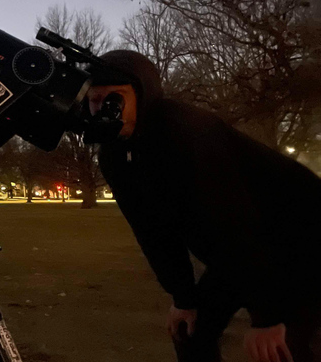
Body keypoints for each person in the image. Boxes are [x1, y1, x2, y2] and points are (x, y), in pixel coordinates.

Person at [86, 50, 321, 362]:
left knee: (287, 347)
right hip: (239, 253)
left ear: (142, 95)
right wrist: (182, 298)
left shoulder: (184, 129)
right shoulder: (114, 155)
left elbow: (234, 221)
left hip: (303, 239)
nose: (104, 109)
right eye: (95, 100)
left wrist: (267, 315)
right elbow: (152, 232)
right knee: (190, 332)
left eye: (114, 99)